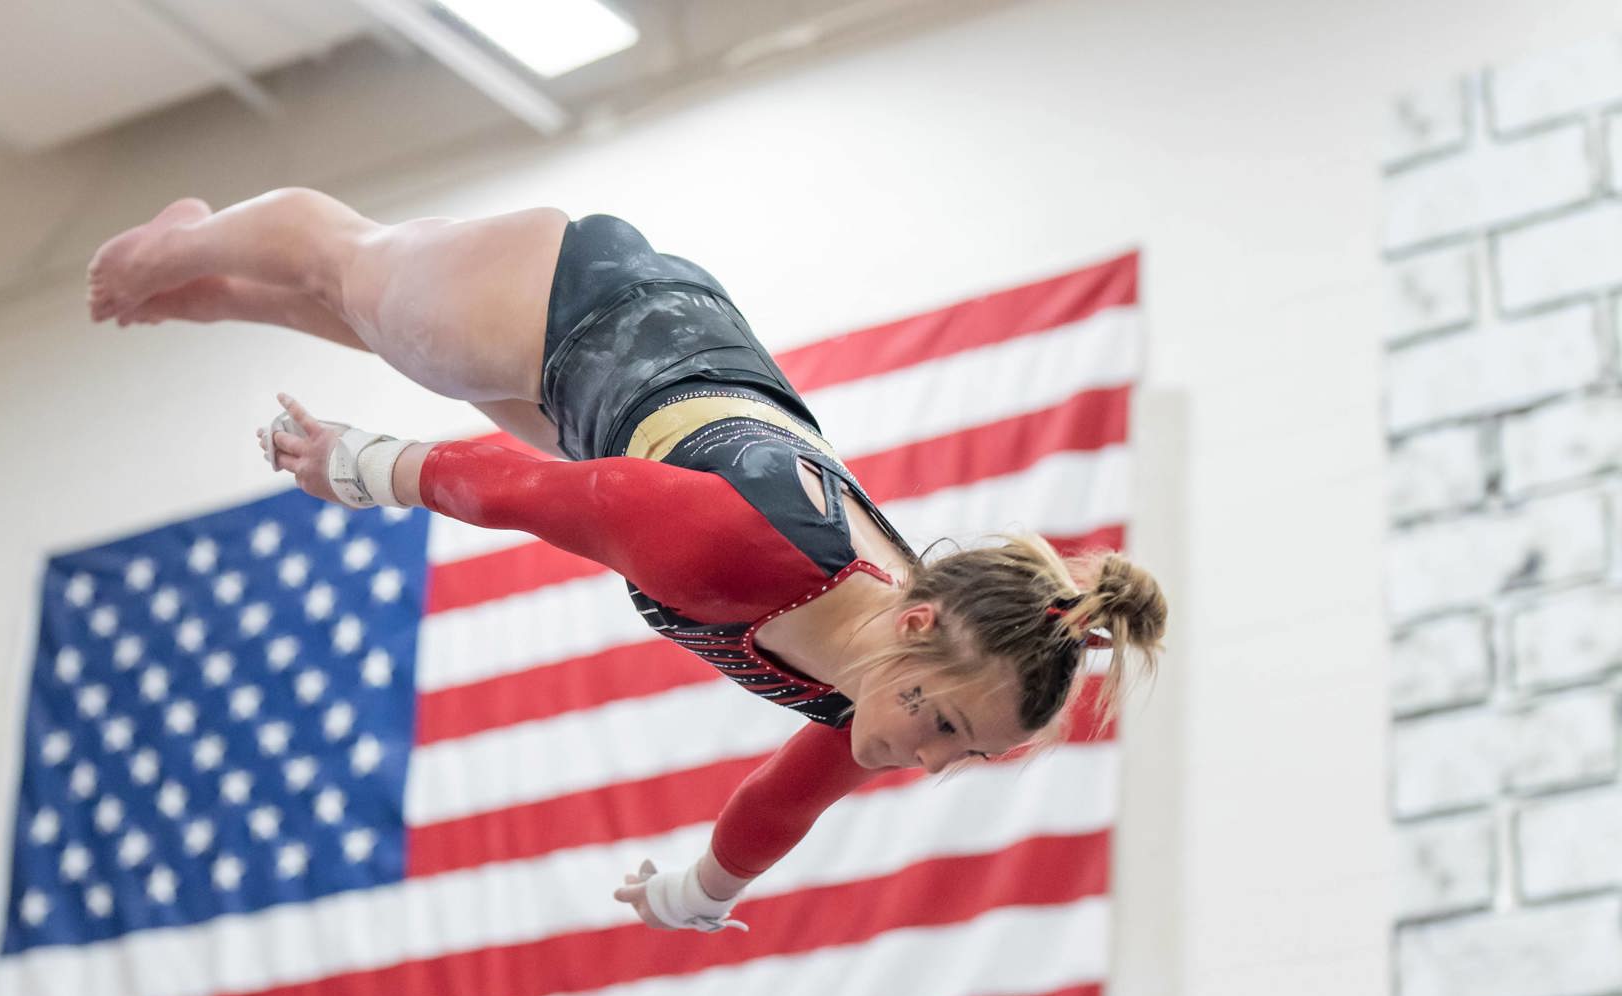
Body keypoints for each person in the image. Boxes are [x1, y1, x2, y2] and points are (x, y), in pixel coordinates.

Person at [87, 190, 1169, 934]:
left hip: (608, 399)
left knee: (394, 330)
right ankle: (179, 243)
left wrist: (693, 895)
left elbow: (781, 804)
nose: (924, 760)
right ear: (918, 622)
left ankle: (217, 292)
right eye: (942, 726)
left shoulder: (882, 680)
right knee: (349, 265)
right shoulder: (738, 553)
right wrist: (359, 463)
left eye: (961, 753)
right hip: (582, 301)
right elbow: (524, 493)